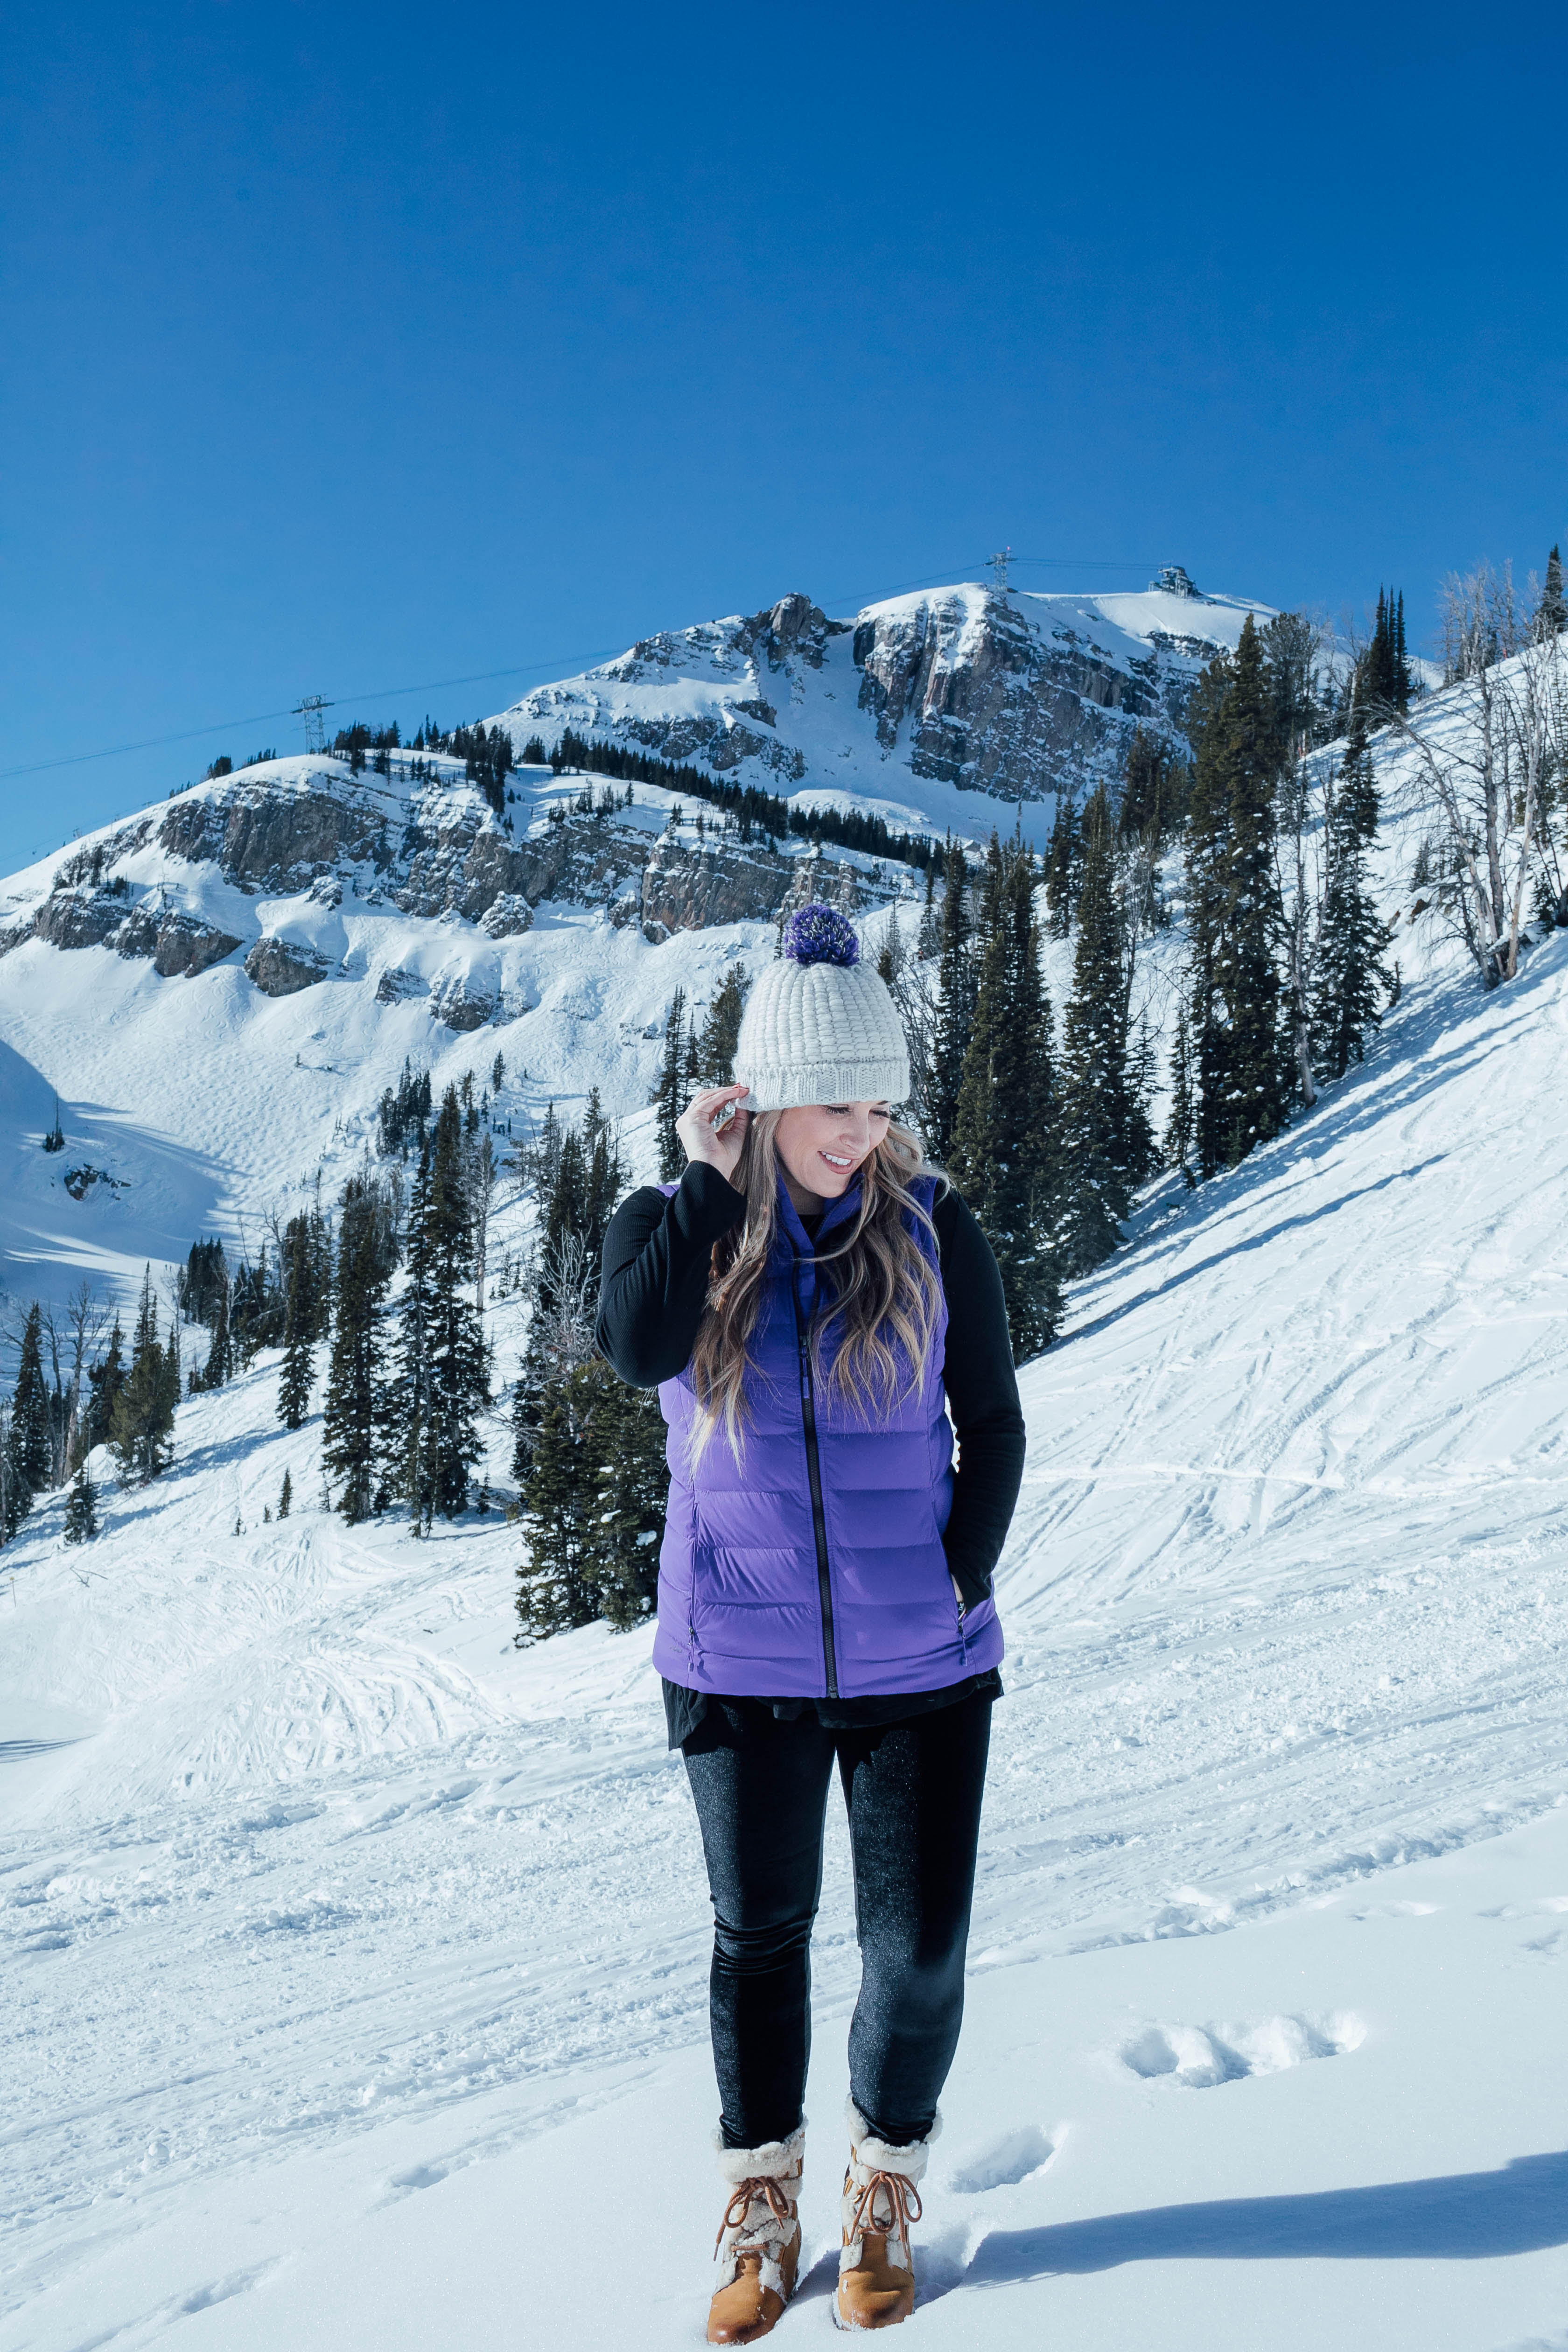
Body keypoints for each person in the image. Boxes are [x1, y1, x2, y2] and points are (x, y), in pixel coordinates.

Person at [597, 903, 1025, 2339]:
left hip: (923, 1661)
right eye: (836, 1104)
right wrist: (708, 1192)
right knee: (759, 1938)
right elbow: (635, 1347)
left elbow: (998, 1421)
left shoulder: (933, 1224)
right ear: (768, 1096)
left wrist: (959, 1569)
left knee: (915, 1954)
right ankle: (762, 2204)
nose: (862, 1131)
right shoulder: (670, 1230)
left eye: (880, 1103)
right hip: (737, 1659)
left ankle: (884, 2182)